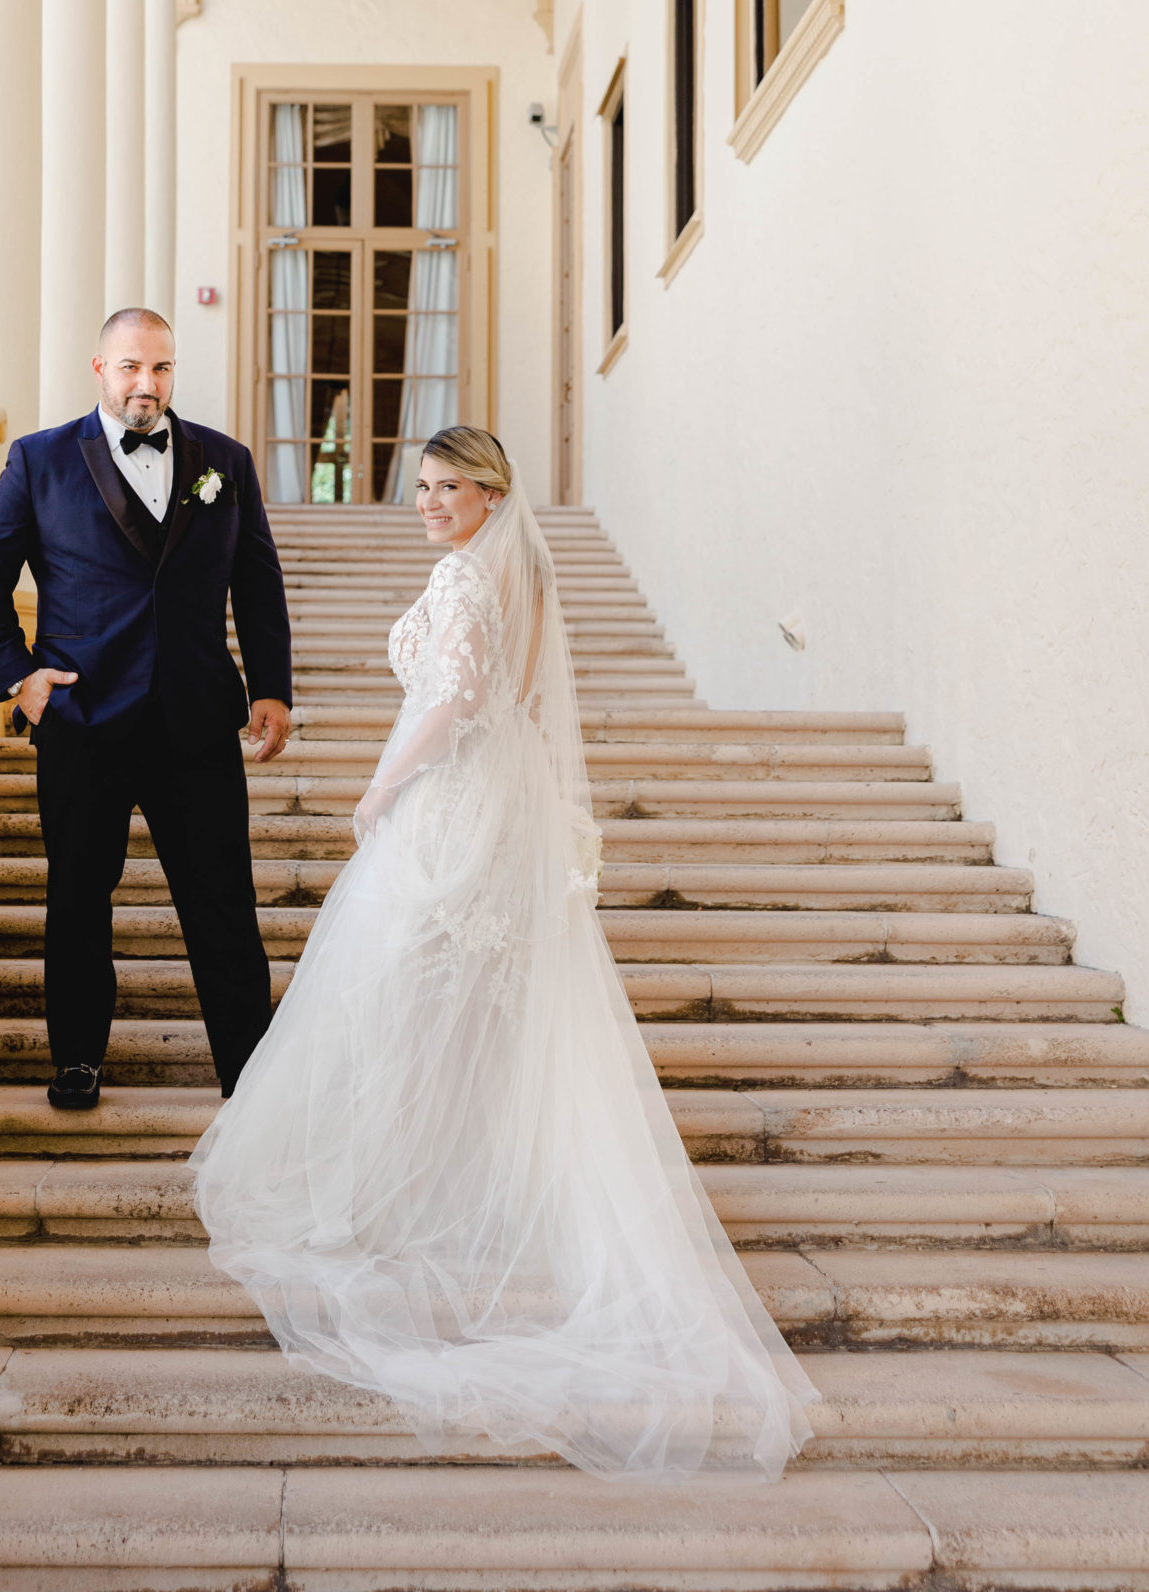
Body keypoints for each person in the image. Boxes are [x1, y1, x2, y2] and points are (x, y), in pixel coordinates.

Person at [193, 425, 816, 1480]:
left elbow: (453, 699)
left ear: (489, 493)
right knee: (465, 1002)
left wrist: (385, 785)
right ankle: (465, 1179)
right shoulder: (521, 564)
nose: (428, 501)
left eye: (448, 487)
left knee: (395, 995)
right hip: (502, 799)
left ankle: (394, 1189)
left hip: (453, 805)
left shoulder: (468, 574)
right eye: (424, 485)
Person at [0, 308, 292, 1112]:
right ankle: (77, 1060)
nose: (150, 384)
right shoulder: (39, 461)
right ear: (100, 369)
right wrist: (21, 679)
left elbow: (258, 583)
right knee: (76, 899)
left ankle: (249, 1077)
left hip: (198, 723)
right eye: (134, 367)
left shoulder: (226, 462)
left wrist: (271, 686)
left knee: (224, 906)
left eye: (163, 369)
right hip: (83, 723)